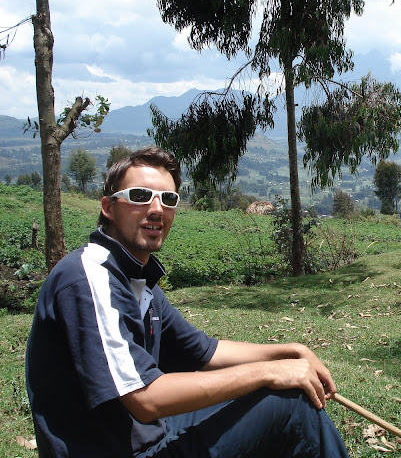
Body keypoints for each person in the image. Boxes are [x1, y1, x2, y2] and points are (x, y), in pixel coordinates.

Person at [26, 146, 349, 458]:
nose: (156, 209)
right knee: (289, 405)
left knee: (280, 391)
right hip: (122, 448)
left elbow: (204, 352)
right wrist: (268, 371)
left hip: (146, 433)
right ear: (109, 208)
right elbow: (145, 399)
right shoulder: (88, 277)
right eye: (140, 196)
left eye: (168, 199)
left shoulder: (137, 279)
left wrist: (291, 352)